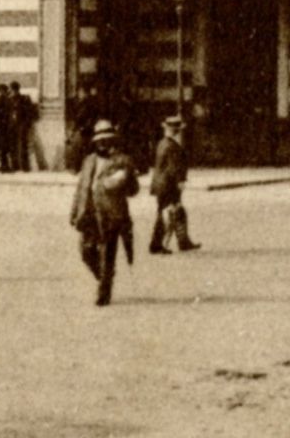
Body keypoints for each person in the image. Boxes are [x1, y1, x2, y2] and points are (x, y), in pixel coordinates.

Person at [70, 119, 139, 306]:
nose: (103, 143)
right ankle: (105, 276)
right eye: (99, 140)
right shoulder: (89, 160)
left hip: (112, 214)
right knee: (86, 252)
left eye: (106, 139)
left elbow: (133, 190)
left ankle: (104, 291)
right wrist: (74, 211)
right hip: (90, 212)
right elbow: (81, 187)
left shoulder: (123, 160)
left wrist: (124, 179)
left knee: (108, 253)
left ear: (112, 140)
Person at [148, 115, 198, 254]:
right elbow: (173, 167)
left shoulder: (162, 143)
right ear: (175, 130)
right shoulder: (172, 146)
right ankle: (158, 245)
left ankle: (183, 241)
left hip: (160, 184)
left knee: (176, 212)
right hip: (168, 185)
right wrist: (180, 181)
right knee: (168, 214)